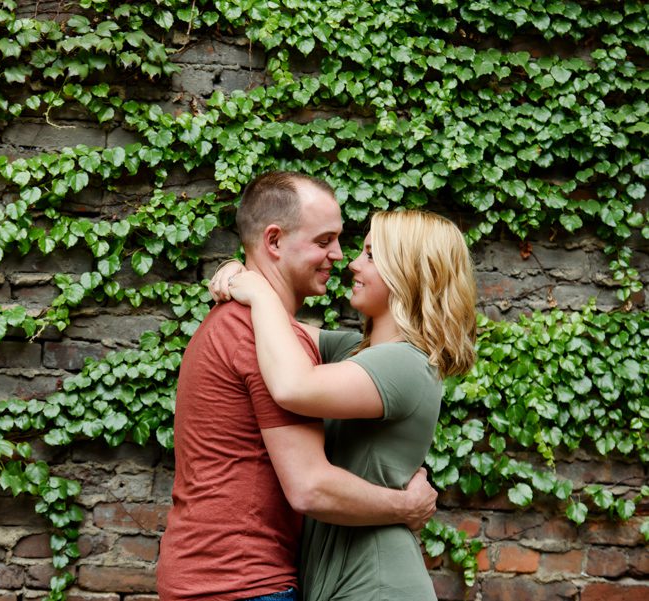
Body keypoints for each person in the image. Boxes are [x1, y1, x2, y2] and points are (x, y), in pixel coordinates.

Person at [156, 172, 440, 601]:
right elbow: (310, 485)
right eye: (324, 240)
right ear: (273, 242)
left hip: (227, 578)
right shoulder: (257, 338)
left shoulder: (274, 337)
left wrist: (244, 277)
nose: (341, 257)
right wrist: (406, 506)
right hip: (240, 584)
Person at [216, 209, 478, 600]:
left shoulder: (405, 363)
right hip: (342, 582)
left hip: (377, 584)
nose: (352, 263)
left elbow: (292, 385)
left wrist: (254, 288)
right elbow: (271, 329)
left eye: (371, 255)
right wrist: (242, 269)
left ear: (407, 272)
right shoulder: (357, 353)